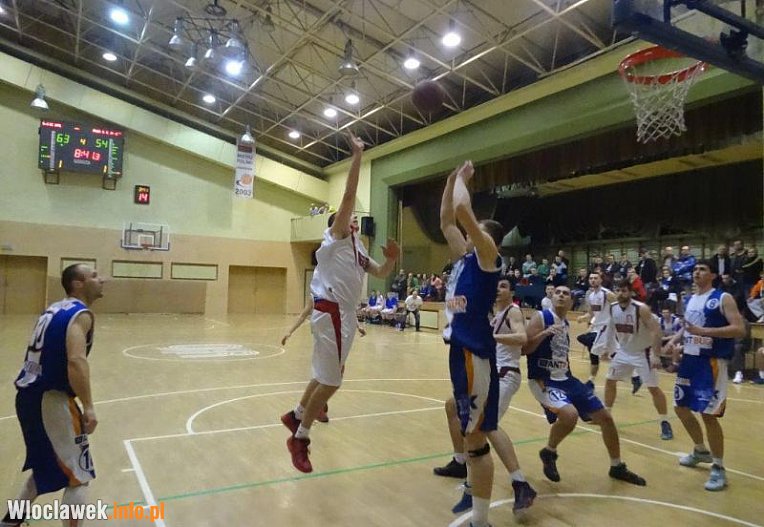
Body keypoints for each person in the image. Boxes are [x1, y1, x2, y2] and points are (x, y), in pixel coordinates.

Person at [280, 133, 400, 474]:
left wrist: (393, 259)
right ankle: (300, 438)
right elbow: (348, 195)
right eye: (346, 217)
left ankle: (296, 415)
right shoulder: (335, 238)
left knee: (327, 375)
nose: (352, 219)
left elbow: (380, 271)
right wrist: (358, 156)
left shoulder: (358, 248)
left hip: (345, 315)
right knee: (332, 381)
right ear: (337, 224)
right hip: (330, 310)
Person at [2, 264, 104, 527]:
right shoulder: (81, 314)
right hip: (51, 399)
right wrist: (89, 406)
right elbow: (76, 361)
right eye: (94, 276)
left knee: (44, 467)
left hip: (28, 395)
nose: (101, 279)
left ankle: (10, 522)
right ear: (78, 284)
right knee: (79, 476)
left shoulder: (54, 309)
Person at [439, 160, 508, 527]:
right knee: (471, 435)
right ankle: (474, 501)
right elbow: (447, 222)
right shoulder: (466, 259)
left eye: (475, 232)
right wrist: (451, 179)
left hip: (474, 353)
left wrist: (463, 180)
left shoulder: (487, 257)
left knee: (476, 439)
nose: (467, 233)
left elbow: (462, 211)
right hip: (460, 351)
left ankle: (480, 520)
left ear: (486, 238)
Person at [523, 285, 646, 487]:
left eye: (566, 293)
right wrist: (544, 334)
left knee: (606, 418)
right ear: (552, 297)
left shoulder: (565, 322)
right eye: (558, 292)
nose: (561, 295)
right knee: (570, 415)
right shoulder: (541, 317)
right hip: (543, 380)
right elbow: (524, 348)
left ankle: (617, 466)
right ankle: (550, 451)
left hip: (566, 379)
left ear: (571, 302)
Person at [433, 279, 536, 517]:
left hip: (505, 374)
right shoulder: (493, 315)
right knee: (452, 407)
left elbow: (522, 338)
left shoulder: (513, 311)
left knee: (485, 427)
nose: (498, 289)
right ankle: (460, 461)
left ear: (512, 291)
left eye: (503, 286)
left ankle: (520, 483)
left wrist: (492, 337)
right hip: (490, 374)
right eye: (495, 286)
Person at [674, 260, 746, 491]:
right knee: (680, 407)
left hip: (711, 362)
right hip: (690, 360)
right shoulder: (690, 298)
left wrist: (704, 331)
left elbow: (739, 329)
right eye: (695, 269)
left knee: (708, 414)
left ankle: (719, 467)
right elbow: (689, 327)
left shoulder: (723, 298)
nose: (697, 272)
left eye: (702, 269)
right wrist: (673, 341)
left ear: (713, 275)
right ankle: (700, 450)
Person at [603, 280, 673, 440]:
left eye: (624, 290)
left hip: (643, 352)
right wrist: (607, 349)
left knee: (653, 388)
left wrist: (655, 354)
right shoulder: (613, 308)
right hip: (624, 351)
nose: (621, 293)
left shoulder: (641, 309)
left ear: (631, 292)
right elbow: (610, 328)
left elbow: (656, 331)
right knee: (610, 380)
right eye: (618, 290)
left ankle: (664, 422)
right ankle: (607, 415)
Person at [280, 303, 367, 423]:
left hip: (337, 335)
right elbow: (304, 314)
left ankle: (315, 405)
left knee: (336, 372)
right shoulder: (317, 296)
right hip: (324, 337)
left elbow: (347, 310)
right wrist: (290, 331)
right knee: (325, 374)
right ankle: (313, 408)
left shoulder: (337, 295)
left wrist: (358, 326)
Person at [576, 272, 616, 390]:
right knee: (614, 353)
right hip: (597, 327)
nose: (593, 280)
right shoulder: (591, 296)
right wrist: (583, 318)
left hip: (607, 327)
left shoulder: (607, 294)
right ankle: (635, 376)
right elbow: (591, 313)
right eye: (591, 278)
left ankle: (591, 381)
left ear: (600, 280)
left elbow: (620, 307)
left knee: (593, 348)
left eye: (595, 278)